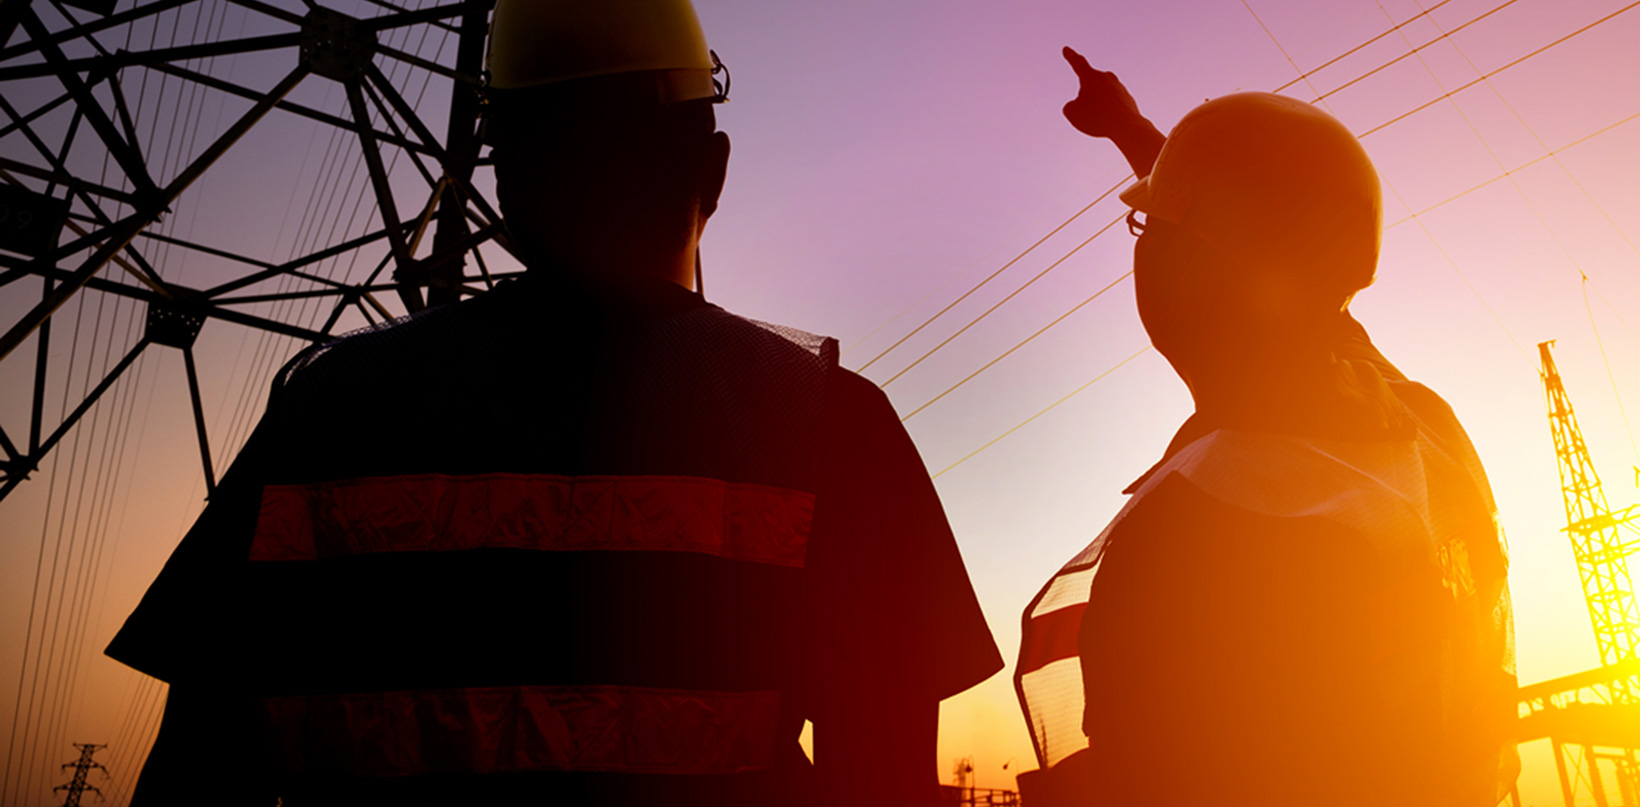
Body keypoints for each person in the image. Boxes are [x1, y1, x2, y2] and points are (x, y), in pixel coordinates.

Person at [105, 2, 1001, 805]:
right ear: (714, 170)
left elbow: (195, 770)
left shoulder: (327, 412)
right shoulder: (833, 426)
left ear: (506, 184)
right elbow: (880, 781)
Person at [1013, 49, 1518, 807]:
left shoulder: (1198, 522)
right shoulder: (1415, 426)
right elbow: (1278, 257)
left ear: (1186, 265)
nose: (1141, 242)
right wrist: (1134, 132)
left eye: (1145, 224)